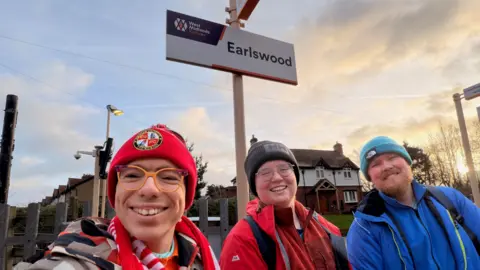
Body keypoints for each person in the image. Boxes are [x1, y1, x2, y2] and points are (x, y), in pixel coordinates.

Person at [15, 124, 220, 270]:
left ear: (187, 193)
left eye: (168, 176)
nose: (149, 189)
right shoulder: (79, 260)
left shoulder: (200, 256)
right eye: (132, 175)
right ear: (116, 191)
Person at [346, 136, 480, 269]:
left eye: (392, 157)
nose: (386, 166)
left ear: (407, 162)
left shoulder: (450, 198)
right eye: (376, 164)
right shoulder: (363, 230)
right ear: (370, 178)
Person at [220, 140, 350, 270]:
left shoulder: (327, 228)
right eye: (265, 172)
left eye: (284, 168)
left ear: (295, 175)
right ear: (254, 185)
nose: (276, 178)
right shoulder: (241, 241)